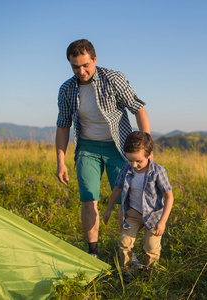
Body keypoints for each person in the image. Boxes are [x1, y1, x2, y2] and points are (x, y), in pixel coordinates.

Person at [55, 39, 150, 258]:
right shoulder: (67, 89)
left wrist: (146, 147)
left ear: (95, 59)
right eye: (75, 67)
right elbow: (63, 126)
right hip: (87, 148)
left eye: (85, 65)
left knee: (125, 201)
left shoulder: (113, 79)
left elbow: (139, 109)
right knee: (89, 198)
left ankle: (127, 252)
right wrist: (61, 162)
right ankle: (93, 253)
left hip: (119, 148)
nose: (81, 71)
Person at [103, 131, 174, 282]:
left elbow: (169, 197)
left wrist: (163, 221)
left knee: (151, 247)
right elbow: (117, 189)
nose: (134, 165)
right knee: (124, 243)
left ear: (149, 155)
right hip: (133, 213)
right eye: (130, 160)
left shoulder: (158, 172)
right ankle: (127, 271)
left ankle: (149, 273)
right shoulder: (126, 169)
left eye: (138, 161)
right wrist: (108, 209)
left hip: (154, 216)